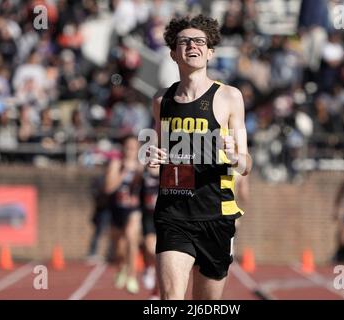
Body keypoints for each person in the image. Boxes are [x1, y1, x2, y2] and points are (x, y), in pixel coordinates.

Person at [147, 14, 252, 300]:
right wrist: (153, 159)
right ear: (173, 53)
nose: (192, 46)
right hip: (173, 213)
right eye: (184, 42)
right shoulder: (161, 100)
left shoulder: (229, 97)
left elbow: (246, 164)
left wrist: (233, 155)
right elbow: (158, 156)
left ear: (210, 51)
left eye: (199, 41)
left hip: (215, 215)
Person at [105, 135, 143, 294]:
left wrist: (139, 174)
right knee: (119, 250)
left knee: (130, 236)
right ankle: (121, 267)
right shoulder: (116, 164)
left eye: (134, 148)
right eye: (128, 147)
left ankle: (132, 276)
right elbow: (108, 188)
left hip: (133, 210)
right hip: (117, 210)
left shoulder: (141, 166)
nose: (130, 151)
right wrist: (124, 173)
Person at [140, 166, 160, 299]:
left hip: (165, 216)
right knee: (149, 247)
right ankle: (149, 268)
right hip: (148, 216)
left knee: (162, 256)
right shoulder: (143, 172)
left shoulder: (168, 169)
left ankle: (156, 291)